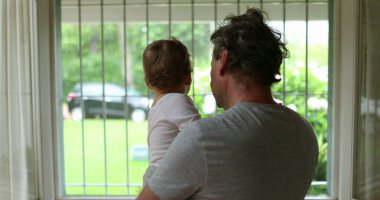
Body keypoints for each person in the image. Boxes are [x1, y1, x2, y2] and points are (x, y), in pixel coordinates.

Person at [137, 8, 318, 200]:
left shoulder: (203, 139)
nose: (209, 75)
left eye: (211, 65)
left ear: (223, 59)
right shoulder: (304, 132)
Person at [141, 38, 201, 186]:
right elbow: (200, 136)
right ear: (188, 77)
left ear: (148, 83)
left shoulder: (158, 104)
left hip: (155, 173)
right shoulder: (177, 100)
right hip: (170, 176)